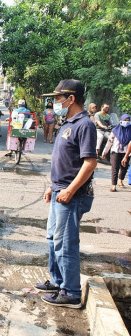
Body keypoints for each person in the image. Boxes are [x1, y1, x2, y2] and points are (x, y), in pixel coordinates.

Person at [35, 79, 97, 309]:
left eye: (58, 98)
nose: (55, 102)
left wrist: (70, 190)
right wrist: (54, 186)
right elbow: (66, 161)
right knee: (53, 239)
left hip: (72, 195)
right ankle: (57, 281)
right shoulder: (67, 122)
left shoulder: (84, 125)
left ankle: (71, 292)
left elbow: (89, 163)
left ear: (71, 99)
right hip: (60, 190)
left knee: (66, 244)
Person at [102, 114, 131, 191]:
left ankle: (120, 180)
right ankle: (114, 185)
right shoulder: (115, 130)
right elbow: (109, 142)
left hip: (126, 152)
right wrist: (105, 151)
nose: (126, 122)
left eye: (128, 120)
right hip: (115, 151)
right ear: (121, 120)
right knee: (115, 168)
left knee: (124, 167)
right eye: (125, 120)